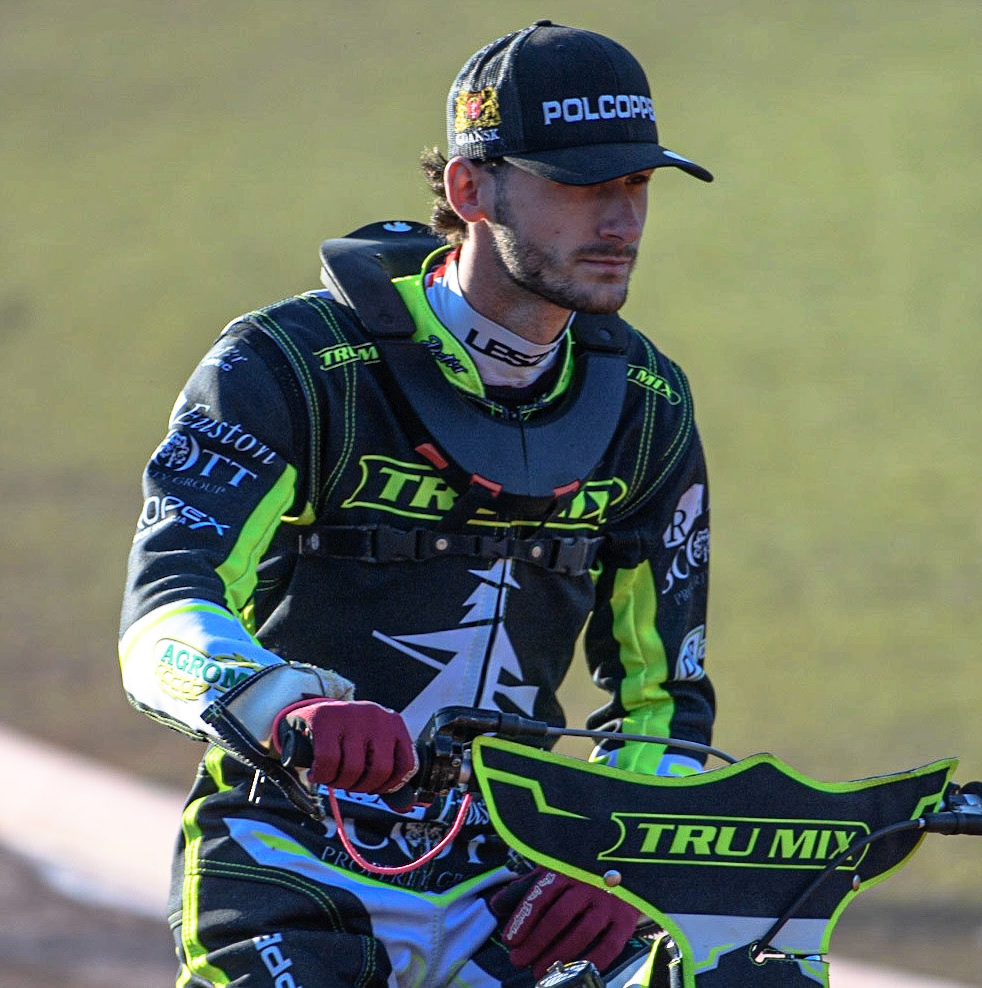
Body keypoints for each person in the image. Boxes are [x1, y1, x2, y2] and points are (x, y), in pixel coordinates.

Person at [119, 20, 716, 987]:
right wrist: (289, 703)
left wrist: (626, 852)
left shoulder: (649, 402)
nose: (620, 220)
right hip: (288, 873)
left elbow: (663, 692)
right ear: (468, 189)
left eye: (636, 183)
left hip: (524, 904)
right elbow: (161, 619)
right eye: (579, 184)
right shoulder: (289, 366)